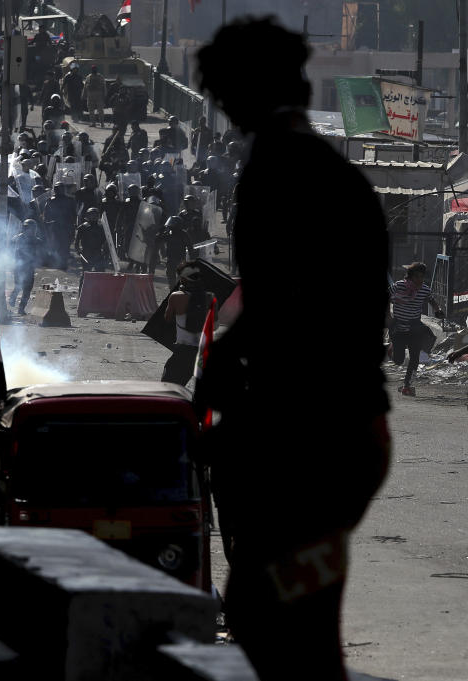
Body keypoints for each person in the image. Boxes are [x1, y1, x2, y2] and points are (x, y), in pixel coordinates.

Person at [193, 18, 391, 681]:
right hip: (350, 433)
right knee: (296, 620)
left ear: (241, 93)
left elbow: (280, 305)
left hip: (313, 440)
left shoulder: (276, 171)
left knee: (274, 618)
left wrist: (220, 364)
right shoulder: (334, 173)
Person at [389, 262, 444, 396]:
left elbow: (431, 300)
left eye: (422, 277)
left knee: (415, 357)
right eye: (417, 277)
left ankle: (407, 385)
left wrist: (438, 310)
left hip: (415, 328)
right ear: (410, 277)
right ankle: (392, 347)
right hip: (399, 328)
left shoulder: (424, 289)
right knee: (398, 360)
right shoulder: (398, 286)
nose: (420, 280)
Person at [161, 261, 215, 385]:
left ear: (183, 279)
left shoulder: (176, 297)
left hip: (183, 352)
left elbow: (167, 318)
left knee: (168, 388)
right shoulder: (209, 297)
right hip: (203, 354)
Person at [9, 219, 45, 314]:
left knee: (27, 289)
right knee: (18, 286)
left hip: (29, 268)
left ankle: (21, 309)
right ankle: (13, 298)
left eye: (32, 229)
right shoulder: (17, 238)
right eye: (28, 228)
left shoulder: (36, 241)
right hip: (19, 266)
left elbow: (40, 253)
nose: (30, 231)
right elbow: (11, 250)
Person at [75, 207, 107, 272]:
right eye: (92, 215)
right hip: (86, 253)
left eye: (95, 215)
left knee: (100, 272)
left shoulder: (101, 228)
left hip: (98, 253)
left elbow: (105, 241)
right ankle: (83, 282)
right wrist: (78, 249)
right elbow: (77, 240)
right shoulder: (83, 227)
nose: (93, 217)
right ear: (88, 216)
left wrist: (105, 251)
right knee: (86, 272)